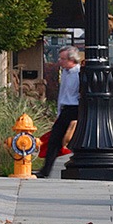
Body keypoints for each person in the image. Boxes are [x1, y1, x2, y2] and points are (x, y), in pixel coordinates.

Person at [37, 47, 82, 179]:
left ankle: (47, 170)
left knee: (69, 140)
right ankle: (45, 170)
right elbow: (62, 94)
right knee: (54, 140)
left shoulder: (79, 73)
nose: (60, 61)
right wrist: (58, 111)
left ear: (72, 60)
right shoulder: (65, 73)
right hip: (65, 109)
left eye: (63, 59)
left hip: (75, 109)